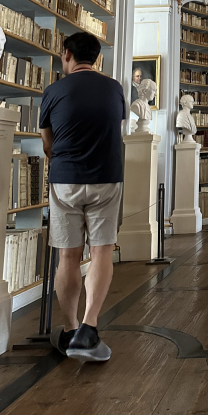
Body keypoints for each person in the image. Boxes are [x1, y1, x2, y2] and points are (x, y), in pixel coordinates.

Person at [40, 32, 126, 362]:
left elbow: (47, 143)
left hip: (65, 180)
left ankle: (71, 328)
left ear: (66, 55)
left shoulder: (53, 91)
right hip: (106, 176)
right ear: (96, 59)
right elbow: (114, 127)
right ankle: (90, 326)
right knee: (102, 249)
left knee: (68, 256)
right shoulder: (115, 88)